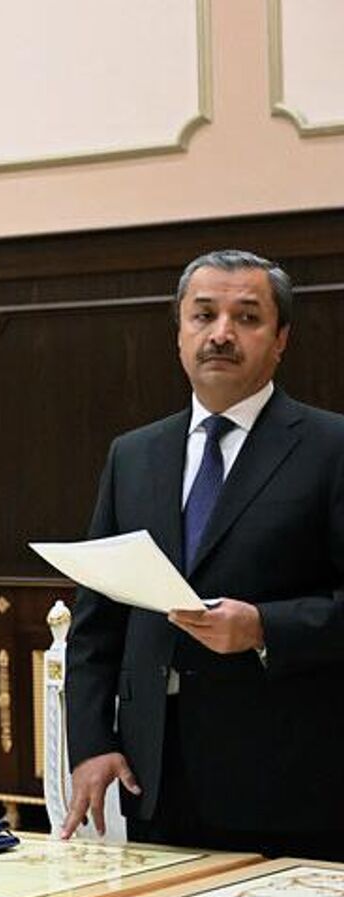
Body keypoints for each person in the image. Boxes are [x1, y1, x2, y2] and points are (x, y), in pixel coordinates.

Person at [64, 249, 344, 862]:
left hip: (293, 782)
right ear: (179, 333)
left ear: (281, 340)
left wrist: (265, 627)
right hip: (156, 779)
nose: (221, 333)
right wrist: (91, 744)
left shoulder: (332, 447)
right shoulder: (133, 455)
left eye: (247, 317)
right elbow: (96, 623)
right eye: (204, 315)